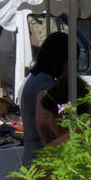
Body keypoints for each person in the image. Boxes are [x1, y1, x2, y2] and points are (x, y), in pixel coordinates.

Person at [20, 33, 67, 166]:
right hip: (38, 153)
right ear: (62, 61)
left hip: (32, 150)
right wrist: (52, 148)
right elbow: (42, 121)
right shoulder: (45, 83)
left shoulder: (35, 76)